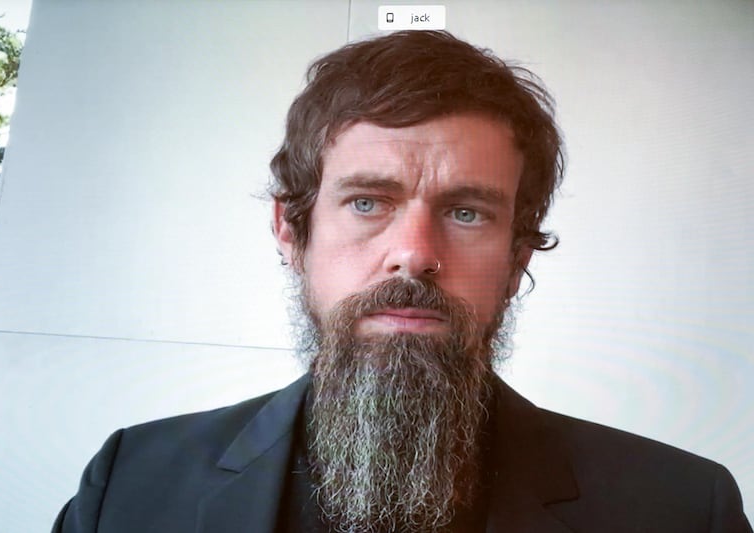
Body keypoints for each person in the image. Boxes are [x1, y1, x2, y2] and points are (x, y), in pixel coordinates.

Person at [52, 30, 751, 533]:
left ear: (516, 258)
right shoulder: (129, 484)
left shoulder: (682, 508)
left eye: (468, 211)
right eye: (367, 201)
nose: (414, 254)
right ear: (292, 231)